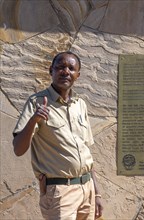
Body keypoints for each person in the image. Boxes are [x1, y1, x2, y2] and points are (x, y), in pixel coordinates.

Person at [12, 51, 103, 219]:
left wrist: (96, 194)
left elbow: (87, 153)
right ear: (51, 71)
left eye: (71, 68)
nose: (65, 71)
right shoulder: (36, 102)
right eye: (60, 67)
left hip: (87, 189)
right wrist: (34, 120)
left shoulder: (80, 105)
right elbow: (18, 149)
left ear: (78, 75)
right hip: (60, 193)